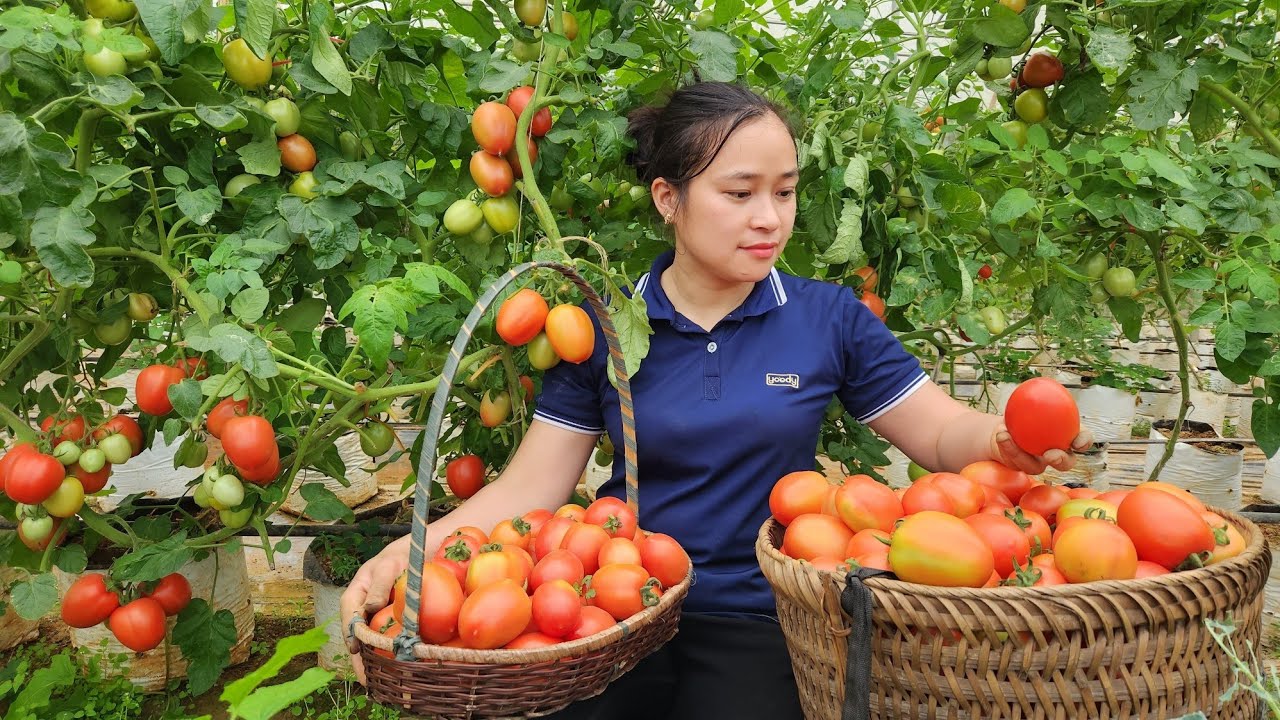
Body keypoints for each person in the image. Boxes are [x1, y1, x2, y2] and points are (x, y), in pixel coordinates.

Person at [340, 81, 1093, 719]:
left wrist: (1001, 443)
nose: (770, 218)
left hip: (764, 615)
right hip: (616, 610)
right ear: (669, 197)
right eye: (739, 193)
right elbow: (530, 488)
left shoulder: (827, 319)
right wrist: (406, 553)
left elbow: (938, 433)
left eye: (786, 191)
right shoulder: (603, 328)